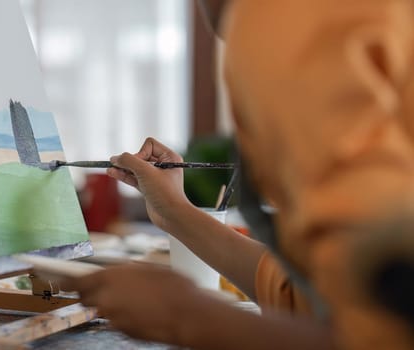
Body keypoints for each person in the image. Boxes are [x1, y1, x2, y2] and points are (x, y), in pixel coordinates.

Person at [65, 1, 414, 349]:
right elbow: (330, 298)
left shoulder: (288, 16)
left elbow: (385, 335)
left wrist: (188, 317)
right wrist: (174, 211)